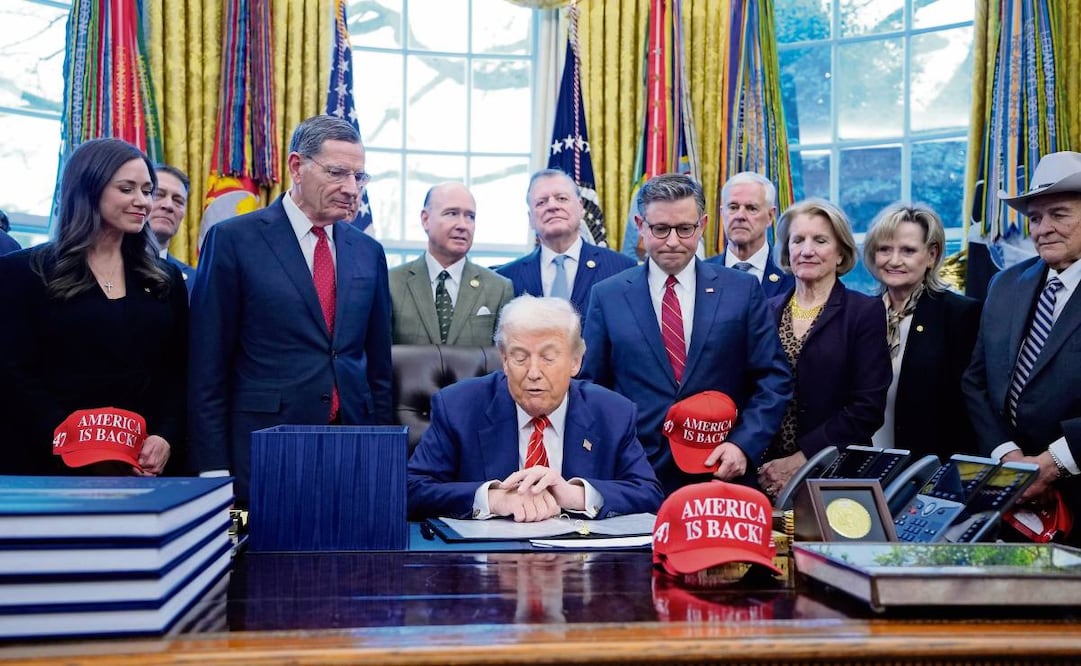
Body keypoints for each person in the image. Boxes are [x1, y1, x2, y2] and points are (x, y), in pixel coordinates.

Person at [188, 114, 393, 505]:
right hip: (265, 446)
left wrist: (382, 456)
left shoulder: (369, 252)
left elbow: (378, 367)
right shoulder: (233, 240)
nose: (351, 189)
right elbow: (207, 366)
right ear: (297, 167)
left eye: (359, 177)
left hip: (352, 447)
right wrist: (212, 466)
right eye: (337, 173)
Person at [580, 173, 792, 495]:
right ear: (640, 225)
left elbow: (773, 378)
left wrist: (743, 445)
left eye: (684, 229)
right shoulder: (607, 295)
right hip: (634, 474)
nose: (672, 241)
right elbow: (592, 387)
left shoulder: (742, 290)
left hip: (721, 471)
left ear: (702, 225)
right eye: (660, 229)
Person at [0, 138, 186, 476]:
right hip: (47, 465)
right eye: (127, 189)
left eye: (147, 190)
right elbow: (14, 373)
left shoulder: (166, 278)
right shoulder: (22, 272)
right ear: (88, 189)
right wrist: (78, 443)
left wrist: (165, 436)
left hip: (144, 468)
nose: (143, 201)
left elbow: (177, 371)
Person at [407, 295, 663, 521]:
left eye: (548, 358)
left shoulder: (612, 413)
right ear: (504, 360)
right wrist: (493, 499)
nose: (533, 373)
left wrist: (575, 495)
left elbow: (648, 494)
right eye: (520, 357)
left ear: (575, 361)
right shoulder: (458, 407)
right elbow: (412, 489)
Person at [963, 151, 1081, 545]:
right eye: (1035, 218)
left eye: (1059, 214)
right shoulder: (1005, 284)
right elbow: (976, 382)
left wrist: (1051, 464)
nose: (1043, 229)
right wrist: (1009, 458)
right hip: (1011, 500)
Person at [756, 199, 891, 497]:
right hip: (766, 475)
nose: (807, 250)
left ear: (840, 252)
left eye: (820, 240)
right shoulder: (765, 310)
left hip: (835, 474)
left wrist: (802, 458)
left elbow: (867, 408)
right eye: (798, 240)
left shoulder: (864, 312)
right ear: (786, 250)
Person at [864, 203, 982, 459]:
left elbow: (968, 407)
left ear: (931, 255)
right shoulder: (861, 313)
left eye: (908, 250)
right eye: (884, 249)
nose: (894, 260)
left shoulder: (960, 314)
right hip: (864, 463)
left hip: (930, 467)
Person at [497, 169, 636, 317]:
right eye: (541, 202)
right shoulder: (505, 279)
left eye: (562, 198)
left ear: (581, 207)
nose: (552, 206)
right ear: (530, 219)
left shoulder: (621, 269)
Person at [389, 182, 513, 346]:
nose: (463, 225)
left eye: (470, 216)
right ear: (426, 219)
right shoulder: (391, 283)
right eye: (452, 213)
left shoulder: (499, 288)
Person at [705, 172, 793, 297]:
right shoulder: (701, 273)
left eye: (751, 208)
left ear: (770, 216)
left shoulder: (791, 273)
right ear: (722, 213)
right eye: (733, 207)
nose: (740, 216)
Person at [148, 164, 196, 292]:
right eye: (158, 194)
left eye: (178, 201)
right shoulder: (107, 267)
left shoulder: (197, 281)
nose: (169, 205)